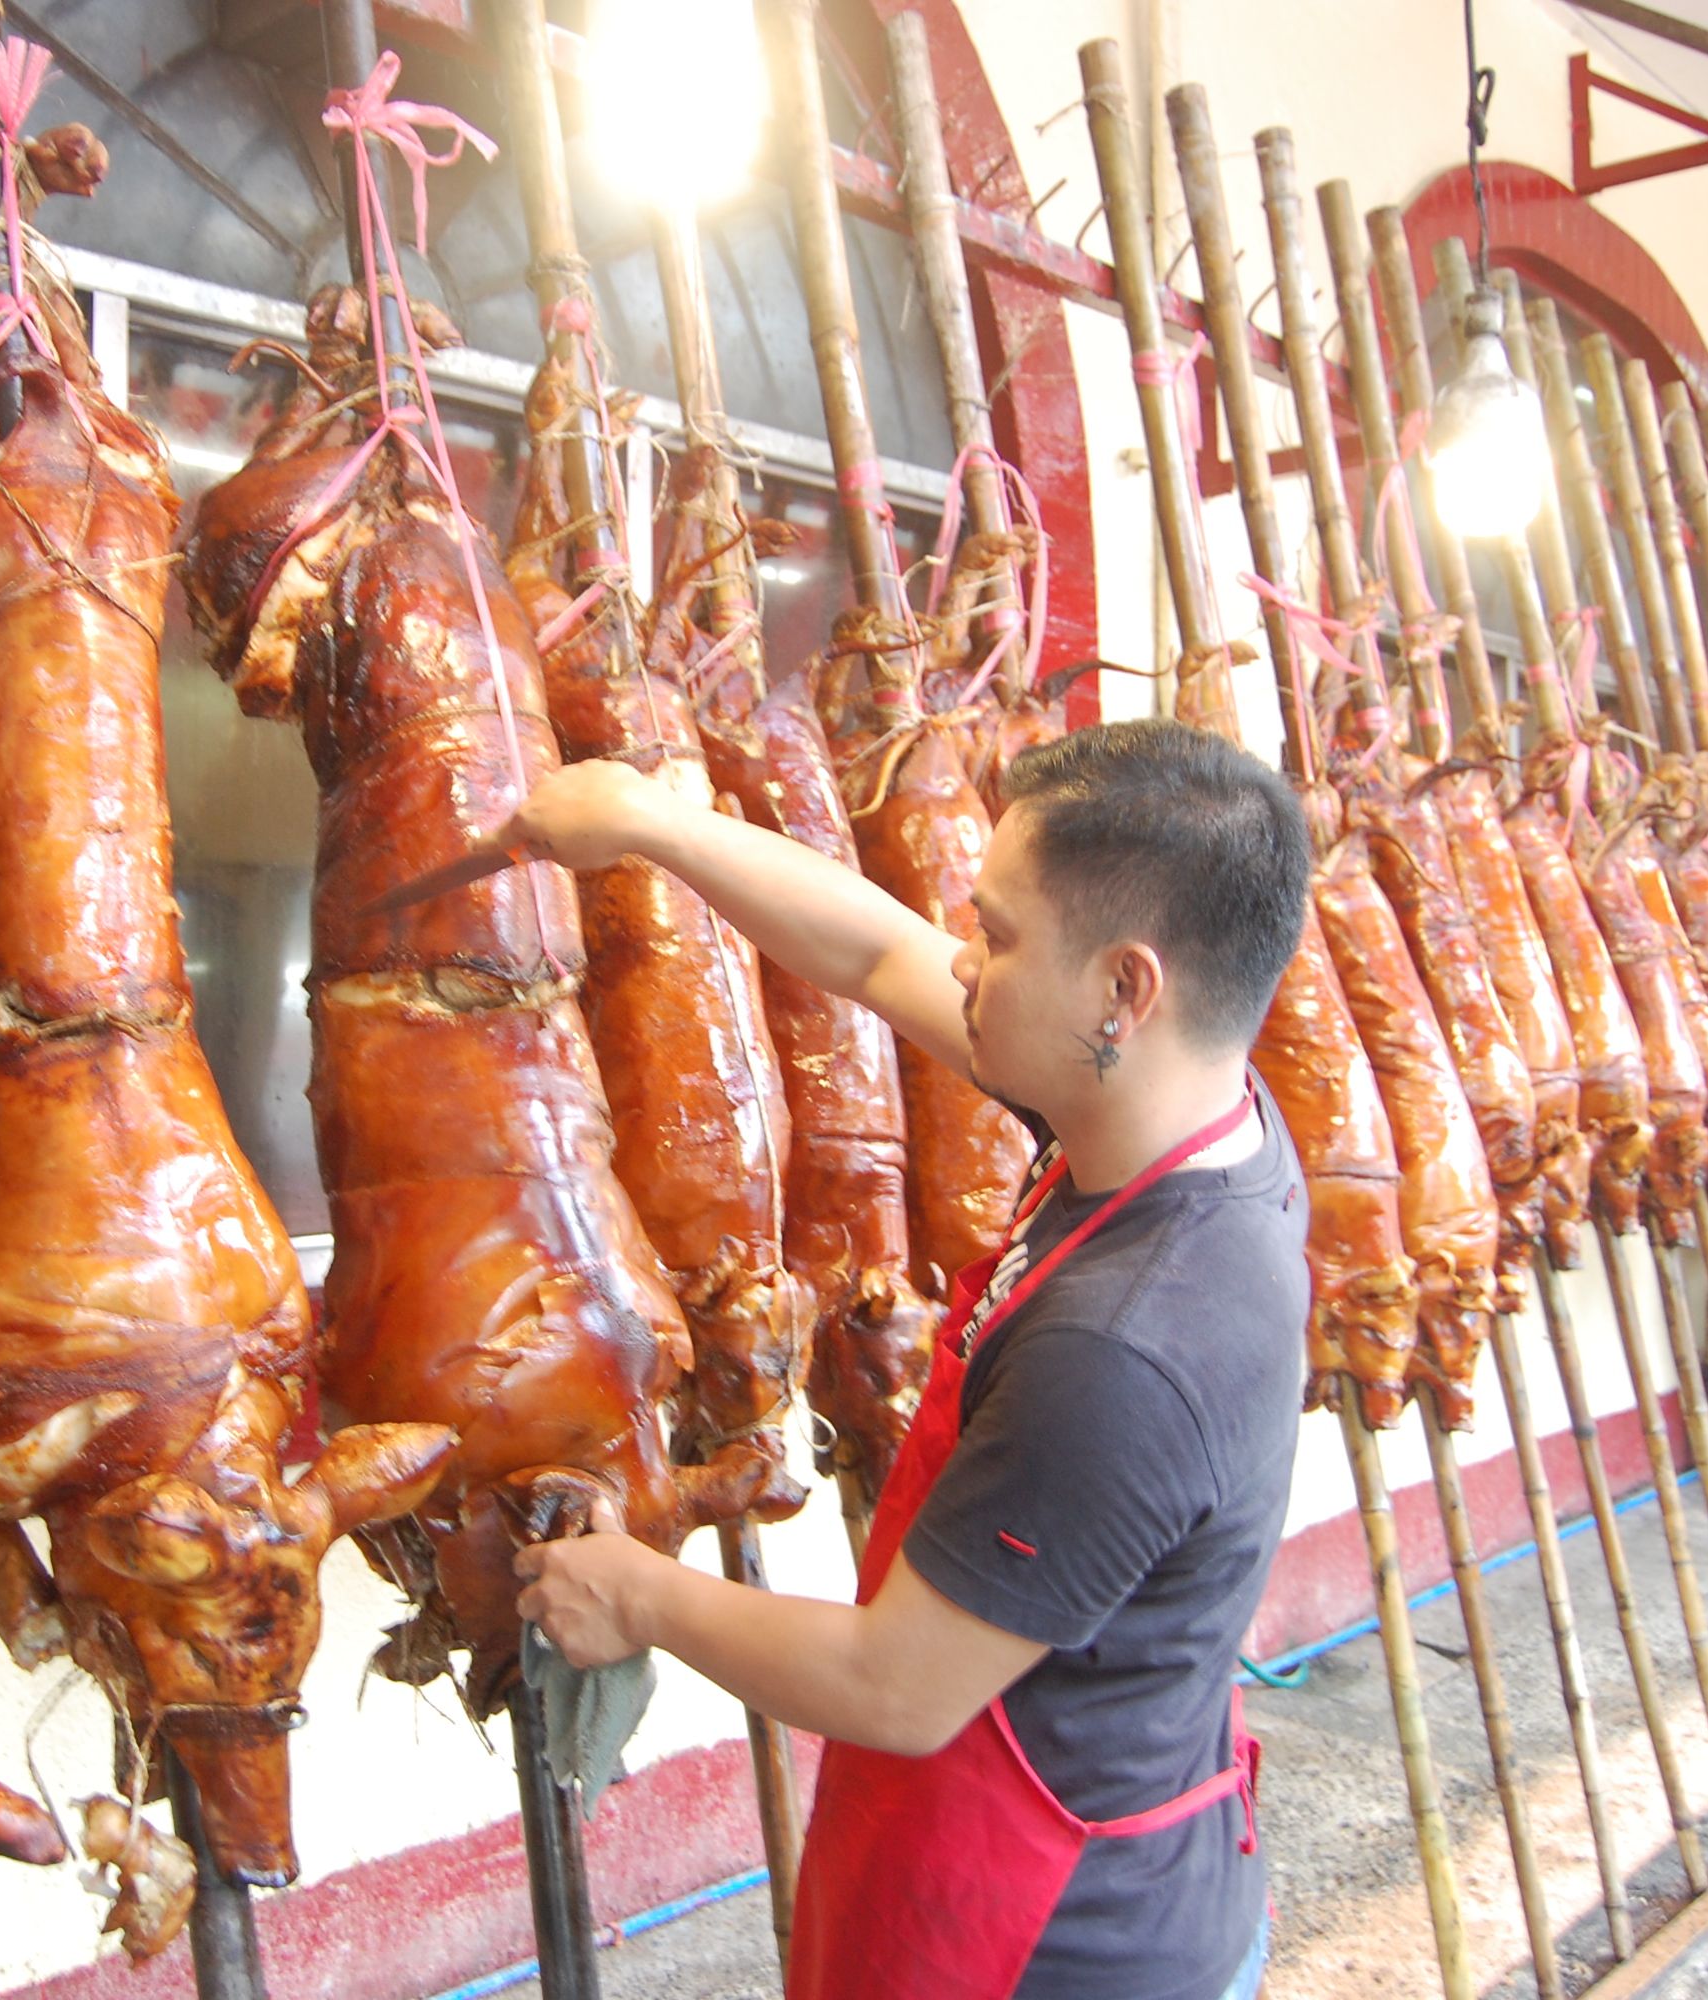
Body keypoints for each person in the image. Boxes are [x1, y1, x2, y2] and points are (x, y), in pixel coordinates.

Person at [505, 718, 1314, 2000]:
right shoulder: (1179, 1109)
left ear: (1123, 990)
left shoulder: (1127, 1347)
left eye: (996, 937)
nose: (966, 966)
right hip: (1111, 1826)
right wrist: (660, 826)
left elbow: (895, 1685)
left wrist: (636, 1591)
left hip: (1051, 1943)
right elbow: (878, 951)